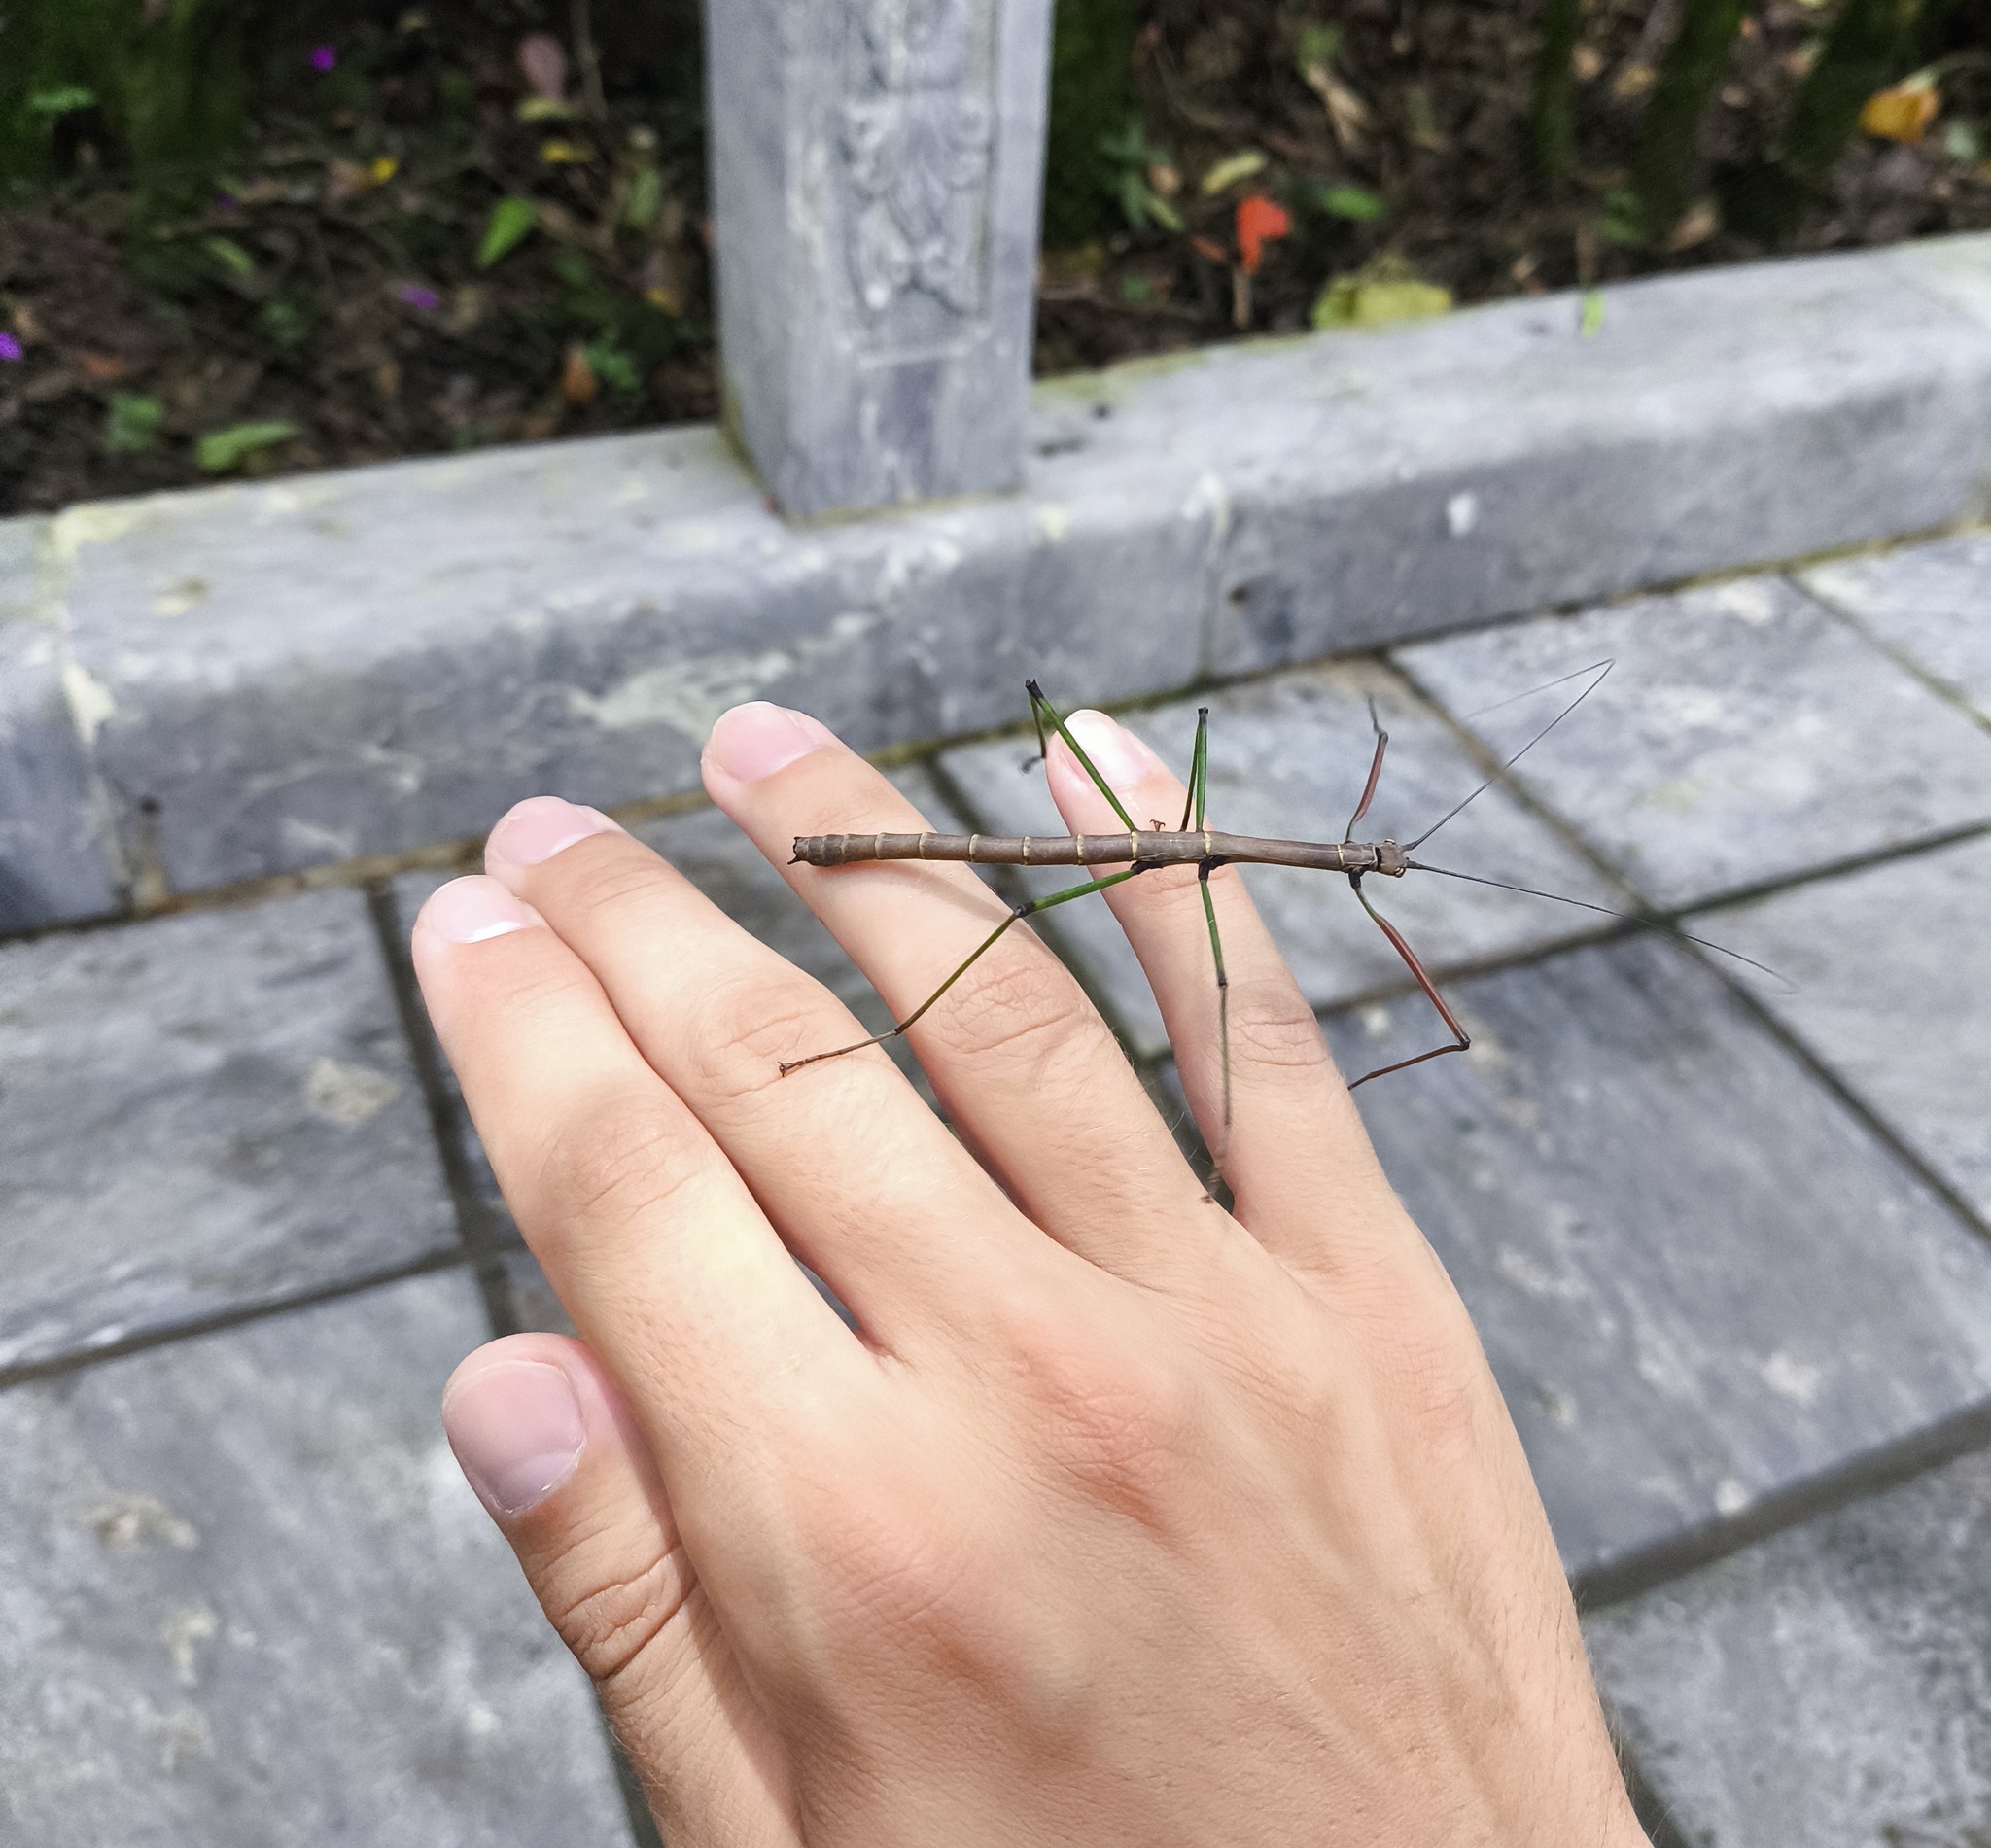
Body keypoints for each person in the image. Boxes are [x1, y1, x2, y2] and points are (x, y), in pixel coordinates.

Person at [413, 699, 1650, 1848]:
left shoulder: (1270, 856)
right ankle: (898, 1029)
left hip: (1054, 854)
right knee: (1047, 923)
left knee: (1067, 923)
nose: (1378, 866)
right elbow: (1263, 991)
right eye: (1381, 859)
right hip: (988, 865)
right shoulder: (1223, 861)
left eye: (1378, 865)